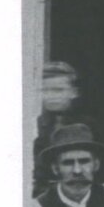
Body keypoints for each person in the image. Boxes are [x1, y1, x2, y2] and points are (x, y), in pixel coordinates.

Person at [33, 60, 86, 194]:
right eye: (45, 90)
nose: (51, 96)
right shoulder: (34, 126)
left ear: (74, 92)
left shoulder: (87, 126)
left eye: (58, 90)